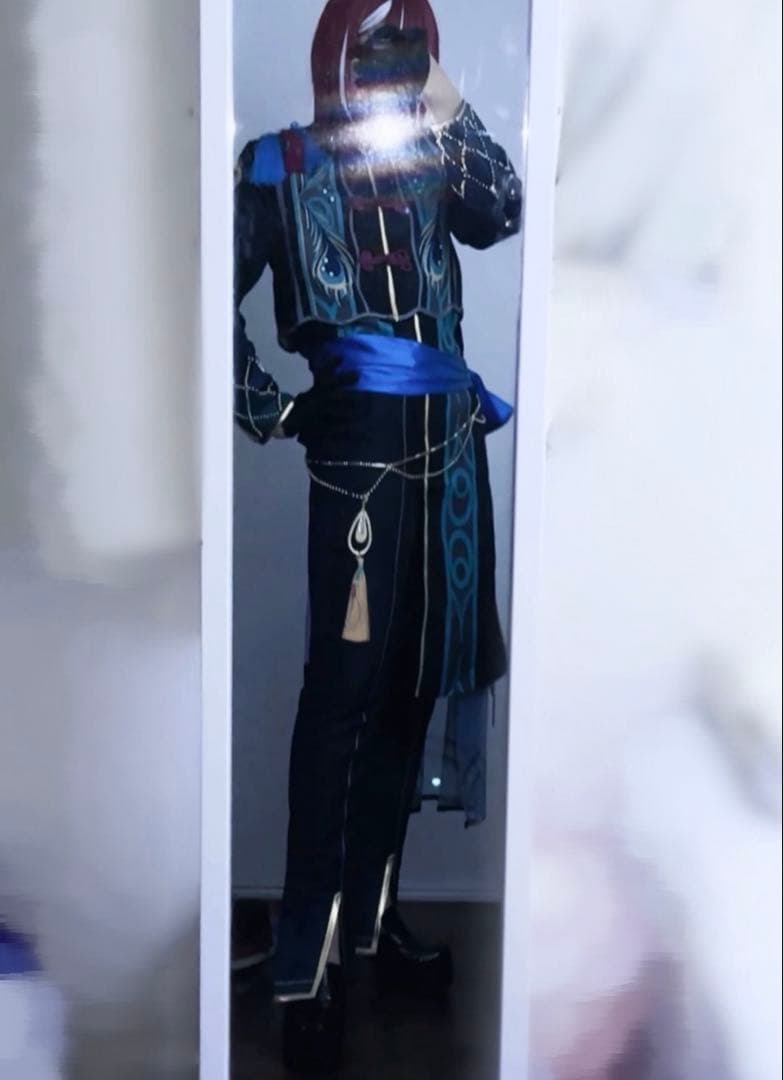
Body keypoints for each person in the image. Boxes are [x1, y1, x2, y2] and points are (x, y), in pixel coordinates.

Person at [234, 1, 522, 1071]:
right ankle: (305, 956)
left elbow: (504, 208)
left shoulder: (433, 157)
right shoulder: (276, 166)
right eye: (377, 45)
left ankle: (370, 921)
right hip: (358, 467)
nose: (390, 64)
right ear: (335, 52)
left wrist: (439, 92)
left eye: (411, 46)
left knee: (411, 687)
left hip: (451, 458)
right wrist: (272, 408)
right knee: (343, 702)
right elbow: (201, 296)